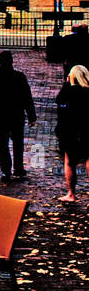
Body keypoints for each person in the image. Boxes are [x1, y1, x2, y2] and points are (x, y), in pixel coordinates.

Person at [0, 50, 38, 181]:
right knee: (18, 143)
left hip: (1, 116)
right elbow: (27, 97)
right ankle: (18, 168)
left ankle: (6, 171)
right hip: (17, 115)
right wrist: (31, 116)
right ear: (12, 61)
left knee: (3, 144)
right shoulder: (19, 77)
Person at [56, 65, 89, 203]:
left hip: (70, 132)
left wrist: (66, 83)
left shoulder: (68, 92)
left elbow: (60, 104)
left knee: (70, 163)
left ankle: (71, 194)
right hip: (87, 130)